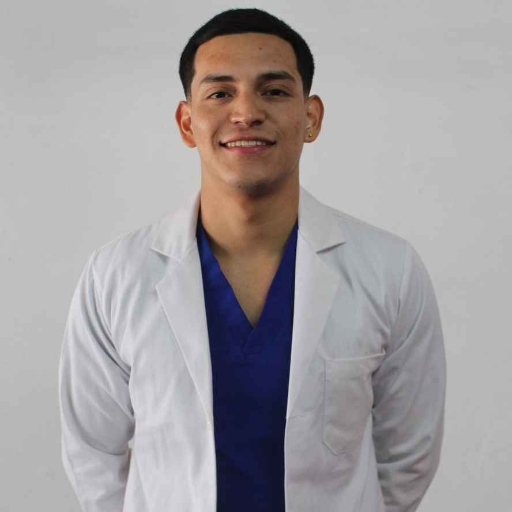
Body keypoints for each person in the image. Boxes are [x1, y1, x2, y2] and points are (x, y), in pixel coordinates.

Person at [59, 8, 446, 512]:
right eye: (220, 93)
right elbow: (92, 454)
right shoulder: (115, 276)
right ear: (187, 123)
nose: (246, 112)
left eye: (274, 91)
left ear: (311, 117)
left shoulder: (389, 270)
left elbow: (407, 455)